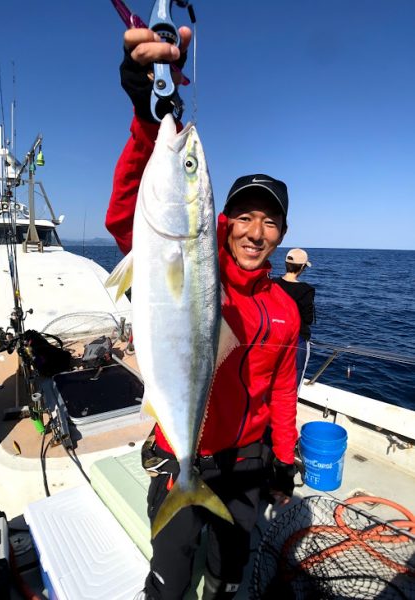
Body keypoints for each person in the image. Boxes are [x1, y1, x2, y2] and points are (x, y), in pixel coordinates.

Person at [105, 25, 300, 600]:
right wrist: (147, 114)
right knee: (169, 582)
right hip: (181, 456)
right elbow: (128, 216)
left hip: (247, 466)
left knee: (226, 579)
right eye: (244, 217)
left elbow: (284, 389)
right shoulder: (195, 259)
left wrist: (283, 463)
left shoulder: (285, 307)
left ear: (282, 233)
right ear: (224, 221)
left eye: (270, 221)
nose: (255, 231)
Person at [273, 248, 316, 392]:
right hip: (297, 341)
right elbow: (308, 319)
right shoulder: (306, 290)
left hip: (273, 338)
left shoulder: (272, 284)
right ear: (302, 267)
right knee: (293, 382)